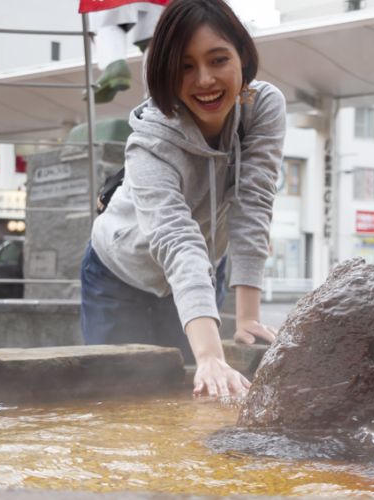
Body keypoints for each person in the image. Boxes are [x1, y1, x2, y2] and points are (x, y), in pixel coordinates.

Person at [80, 0, 286, 398]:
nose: (205, 80)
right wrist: (209, 354)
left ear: (242, 57)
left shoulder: (262, 106)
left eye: (218, 59)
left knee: (195, 396)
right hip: (118, 273)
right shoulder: (150, 142)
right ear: (165, 73)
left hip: (203, 270)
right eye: (185, 66)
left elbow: (253, 203)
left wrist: (247, 319)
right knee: (118, 399)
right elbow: (176, 239)